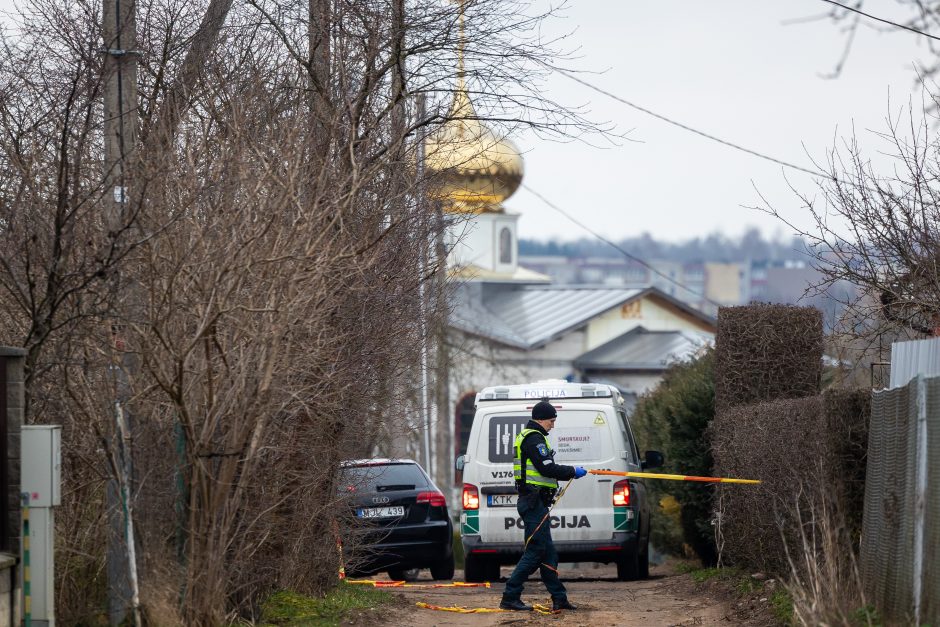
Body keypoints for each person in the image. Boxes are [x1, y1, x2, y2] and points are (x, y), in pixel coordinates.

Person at [499, 399, 588, 612]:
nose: (553, 425)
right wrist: (572, 471)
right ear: (540, 419)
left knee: (549, 554)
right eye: (551, 420)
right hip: (533, 502)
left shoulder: (533, 437)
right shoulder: (533, 439)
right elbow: (547, 468)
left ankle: (559, 598)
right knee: (535, 552)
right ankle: (510, 596)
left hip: (535, 503)